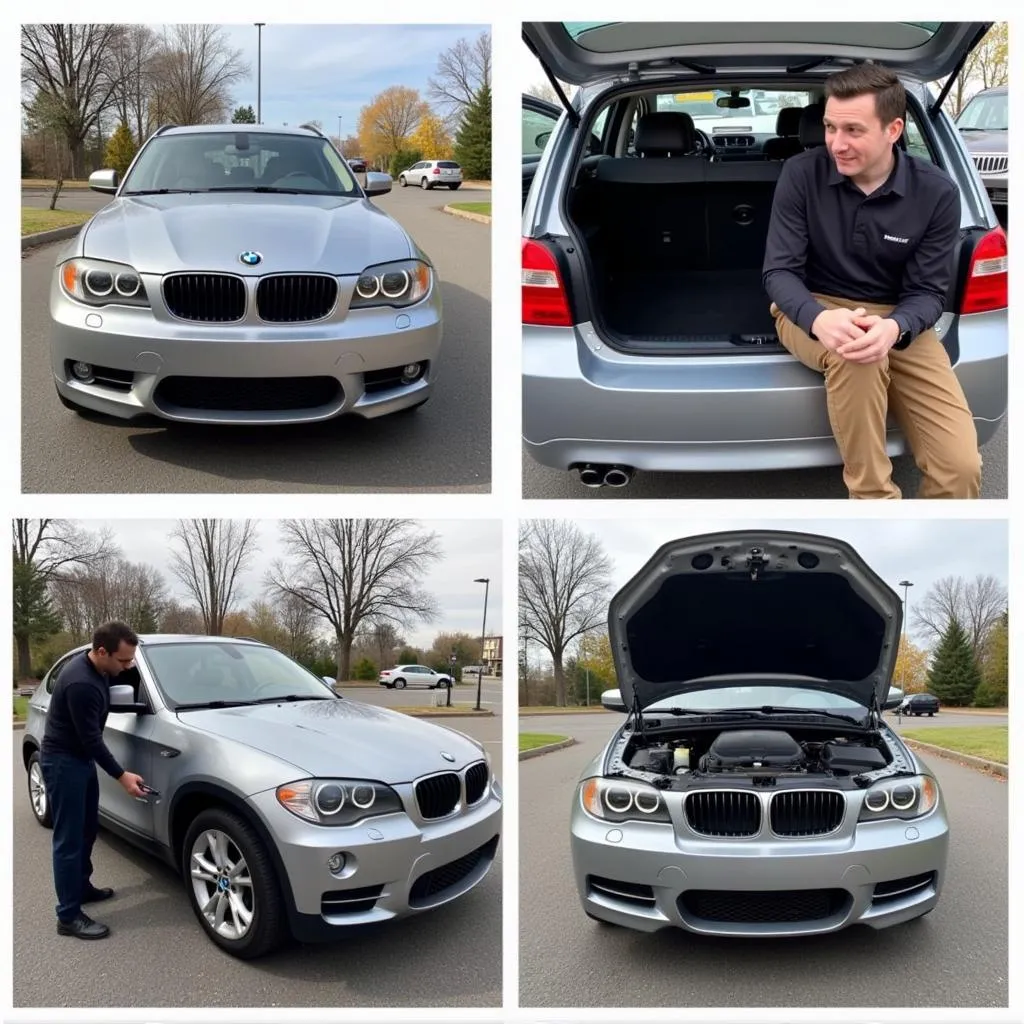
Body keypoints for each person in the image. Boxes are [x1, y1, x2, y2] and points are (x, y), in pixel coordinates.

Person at [763, 63, 981, 499]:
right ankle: (872, 499)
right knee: (855, 355)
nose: (836, 144)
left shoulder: (936, 192)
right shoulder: (801, 174)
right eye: (829, 127)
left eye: (852, 130)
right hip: (812, 304)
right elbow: (779, 272)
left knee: (960, 469)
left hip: (899, 319)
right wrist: (819, 320)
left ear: (893, 129)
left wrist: (894, 328)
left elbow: (928, 292)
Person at [40, 621, 147, 940]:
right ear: (102, 652)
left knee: (87, 829)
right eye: (124, 661)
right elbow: (91, 740)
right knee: (69, 840)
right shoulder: (80, 683)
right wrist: (122, 776)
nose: (128, 666)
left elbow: (123, 680)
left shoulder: (101, 669)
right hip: (64, 762)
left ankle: (81, 887)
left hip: (80, 761)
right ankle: (68, 916)